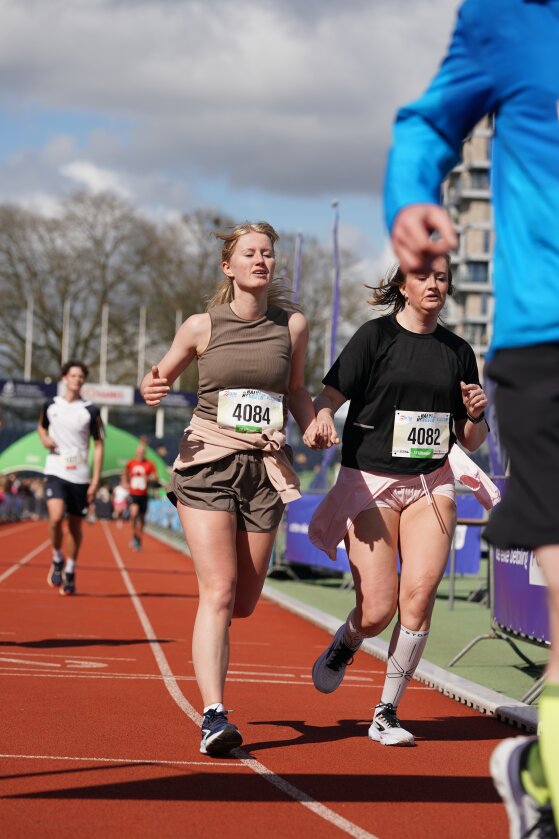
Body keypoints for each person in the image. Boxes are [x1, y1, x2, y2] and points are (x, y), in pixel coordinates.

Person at [384, 1, 559, 834]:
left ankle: (540, 773)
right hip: (546, 337)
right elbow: (426, 125)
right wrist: (409, 196)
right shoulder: (507, 18)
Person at [140, 221, 318, 757]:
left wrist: (312, 422)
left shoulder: (292, 326)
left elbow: (295, 389)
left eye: (267, 253)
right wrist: (152, 384)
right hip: (208, 463)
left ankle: (213, 658)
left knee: (243, 601)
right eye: (250, 253)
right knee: (217, 591)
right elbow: (160, 375)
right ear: (229, 266)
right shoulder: (201, 326)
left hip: (264, 469)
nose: (261, 260)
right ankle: (214, 715)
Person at [309, 254, 494, 745]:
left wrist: (477, 414)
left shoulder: (458, 351)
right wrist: (322, 416)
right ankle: (349, 639)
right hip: (371, 481)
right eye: (422, 276)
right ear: (403, 285)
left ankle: (386, 711)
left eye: (441, 277)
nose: (433, 284)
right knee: (377, 610)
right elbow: (328, 397)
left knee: (419, 596)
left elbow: (471, 439)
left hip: (432, 482)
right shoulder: (375, 337)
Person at [38, 360, 104, 595]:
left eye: (81, 376)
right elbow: (41, 427)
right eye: (73, 375)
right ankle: (57, 558)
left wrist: (95, 480)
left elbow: (99, 445)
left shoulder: (90, 410)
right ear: (64, 378)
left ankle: (70, 570)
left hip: (79, 474)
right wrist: (44, 438)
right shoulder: (50, 404)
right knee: (56, 518)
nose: (77, 379)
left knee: (75, 524)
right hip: (55, 469)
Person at [124, 443, 158, 550]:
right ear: (136, 452)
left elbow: (155, 477)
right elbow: (125, 473)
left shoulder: (149, 464)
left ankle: (139, 538)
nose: (141, 453)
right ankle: (134, 535)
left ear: (145, 453)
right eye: (139, 451)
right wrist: (125, 482)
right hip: (133, 493)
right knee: (133, 514)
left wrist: (148, 478)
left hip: (144, 494)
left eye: (143, 452)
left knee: (142, 519)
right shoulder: (131, 463)